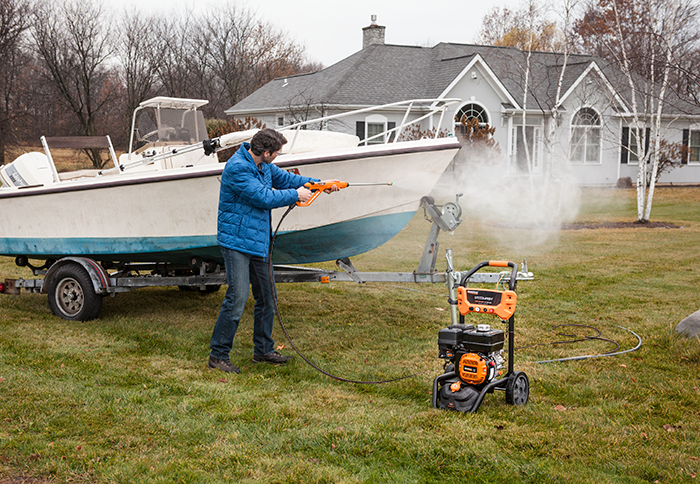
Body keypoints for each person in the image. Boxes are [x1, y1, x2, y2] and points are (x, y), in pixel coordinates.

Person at [208, 128, 337, 374]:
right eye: (276, 153)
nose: (278, 156)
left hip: (258, 241)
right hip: (236, 242)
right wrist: (296, 195)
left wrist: (320, 184)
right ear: (265, 152)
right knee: (237, 298)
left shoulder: (264, 165)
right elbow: (263, 197)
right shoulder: (237, 168)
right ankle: (218, 355)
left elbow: (288, 179)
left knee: (267, 297)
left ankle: (263, 351)